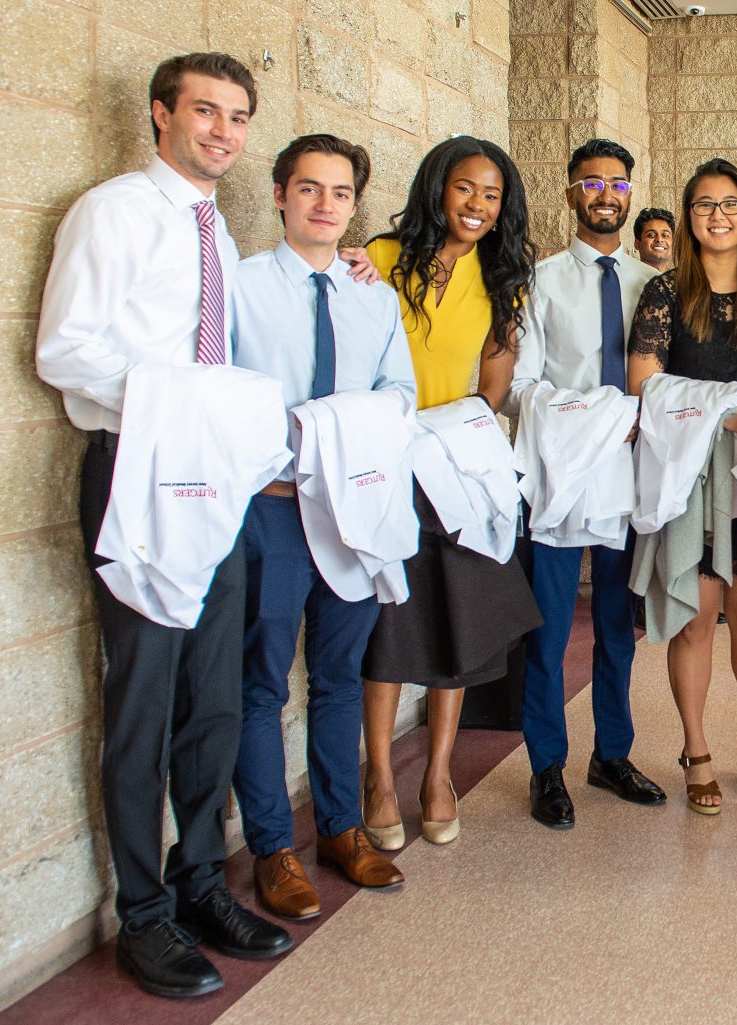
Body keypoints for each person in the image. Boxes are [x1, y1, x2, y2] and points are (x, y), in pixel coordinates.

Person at [34, 51, 294, 998]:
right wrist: (174, 408)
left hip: (210, 482)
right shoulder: (113, 212)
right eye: (205, 111)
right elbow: (64, 348)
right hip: (139, 471)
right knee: (143, 698)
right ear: (160, 114)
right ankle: (142, 915)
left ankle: (199, 884)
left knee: (213, 698)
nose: (222, 130)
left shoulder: (214, 230)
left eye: (237, 116)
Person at [229, 134, 414, 920]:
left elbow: (398, 394)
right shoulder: (238, 287)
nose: (324, 205)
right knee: (262, 682)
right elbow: (220, 392)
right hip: (271, 505)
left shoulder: (372, 295)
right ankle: (273, 847)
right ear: (279, 195)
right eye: (309, 189)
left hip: (348, 510)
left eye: (340, 193)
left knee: (339, 675)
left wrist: (336, 430)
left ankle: (340, 828)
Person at [360, 136, 542, 849]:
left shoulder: (501, 278)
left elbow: (492, 388)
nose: (478, 205)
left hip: (454, 468)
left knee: (457, 624)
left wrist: (440, 424)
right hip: (383, 465)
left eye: (493, 195)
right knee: (389, 625)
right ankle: (379, 776)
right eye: (466, 188)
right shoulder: (377, 259)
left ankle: (437, 774)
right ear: (438, 188)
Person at [511, 138, 666, 829]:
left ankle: (612, 753)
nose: (608, 194)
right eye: (593, 182)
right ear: (572, 192)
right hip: (561, 474)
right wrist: (592, 420)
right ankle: (546, 765)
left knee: (615, 626)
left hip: (627, 476)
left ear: (631, 195)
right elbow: (523, 384)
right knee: (547, 629)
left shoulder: (652, 284)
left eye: (619, 184)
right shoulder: (540, 281)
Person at [627, 159, 737, 814]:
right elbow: (644, 381)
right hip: (688, 472)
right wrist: (720, 406)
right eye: (703, 205)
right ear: (687, 215)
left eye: (730, 204)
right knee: (695, 618)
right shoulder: (666, 291)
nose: (717, 216)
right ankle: (695, 749)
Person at [634, 207, 675, 271]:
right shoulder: (623, 280)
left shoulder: (681, 280)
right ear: (637, 243)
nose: (659, 239)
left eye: (665, 235)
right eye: (651, 235)